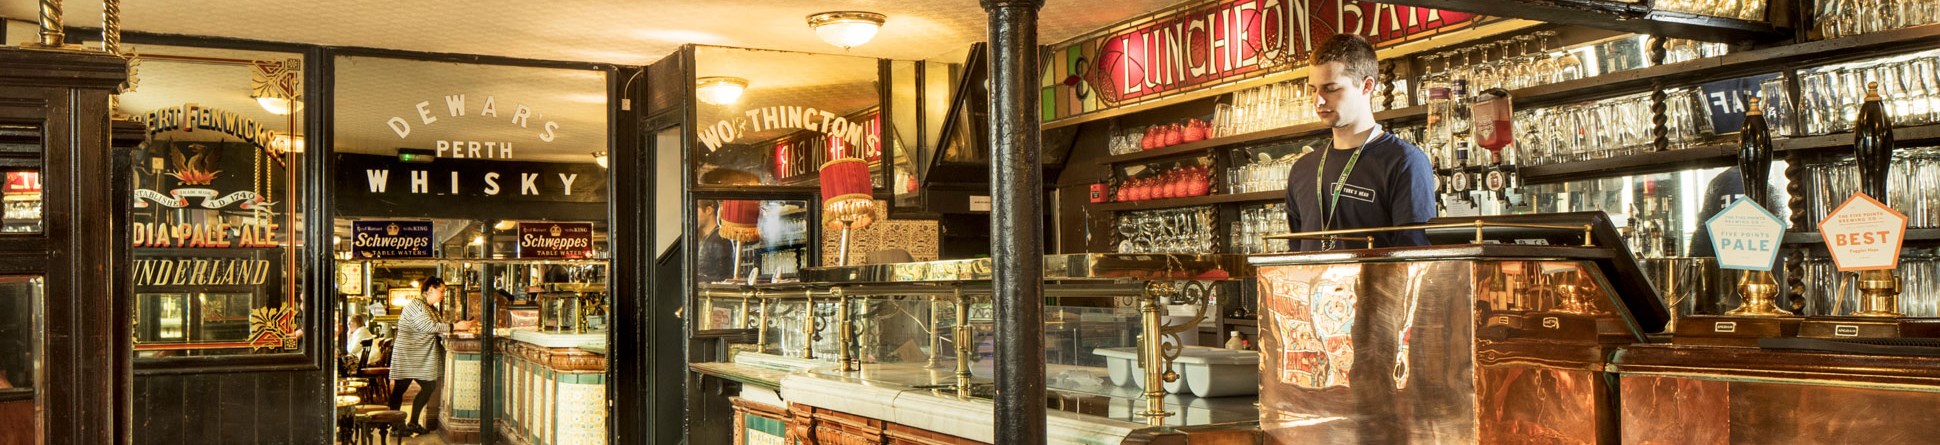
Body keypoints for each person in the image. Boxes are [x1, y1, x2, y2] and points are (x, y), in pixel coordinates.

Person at [1283, 34, 1437, 251]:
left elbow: (1414, 258)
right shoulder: (1302, 169)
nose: (1318, 100)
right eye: (1313, 89)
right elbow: (1296, 252)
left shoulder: (1404, 162)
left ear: (1366, 86)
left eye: (1331, 88)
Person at [390, 277, 477, 436]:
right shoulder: (417, 305)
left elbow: (438, 325)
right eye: (441, 291)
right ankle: (395, 427)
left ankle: (412, 423)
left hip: (417, 355)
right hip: (408, 354)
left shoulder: (429, 307)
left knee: (428, 386)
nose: (443, 294)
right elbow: (428, 326)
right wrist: (455, 326)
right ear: (430, 289)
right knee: (400, 389)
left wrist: (456, 326)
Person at [695, 199, 735, 282]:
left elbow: (724, 278)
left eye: (696, 210)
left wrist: (695, 279)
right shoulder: (703, 238)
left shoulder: (721, 239)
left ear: (709, 210)